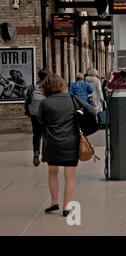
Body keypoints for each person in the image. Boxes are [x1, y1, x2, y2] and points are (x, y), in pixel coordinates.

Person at [38, 74, 80, 217]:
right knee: (70, 176)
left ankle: (54, 202)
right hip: (70, 142)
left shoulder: (45, 103)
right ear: (62, 84)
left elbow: (40, 121)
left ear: (46, 87)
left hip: (53, 142)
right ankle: (66, 207)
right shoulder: (71, 99)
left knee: (52, 173)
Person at [24, 68, 49, 166]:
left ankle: (36, 152)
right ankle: (44, 154)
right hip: (47, 115)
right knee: (47, 134)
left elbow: (27, 101)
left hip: (35, 114)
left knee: (36, 134)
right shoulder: (50, 87)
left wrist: (28, 113)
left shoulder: (32, 87)